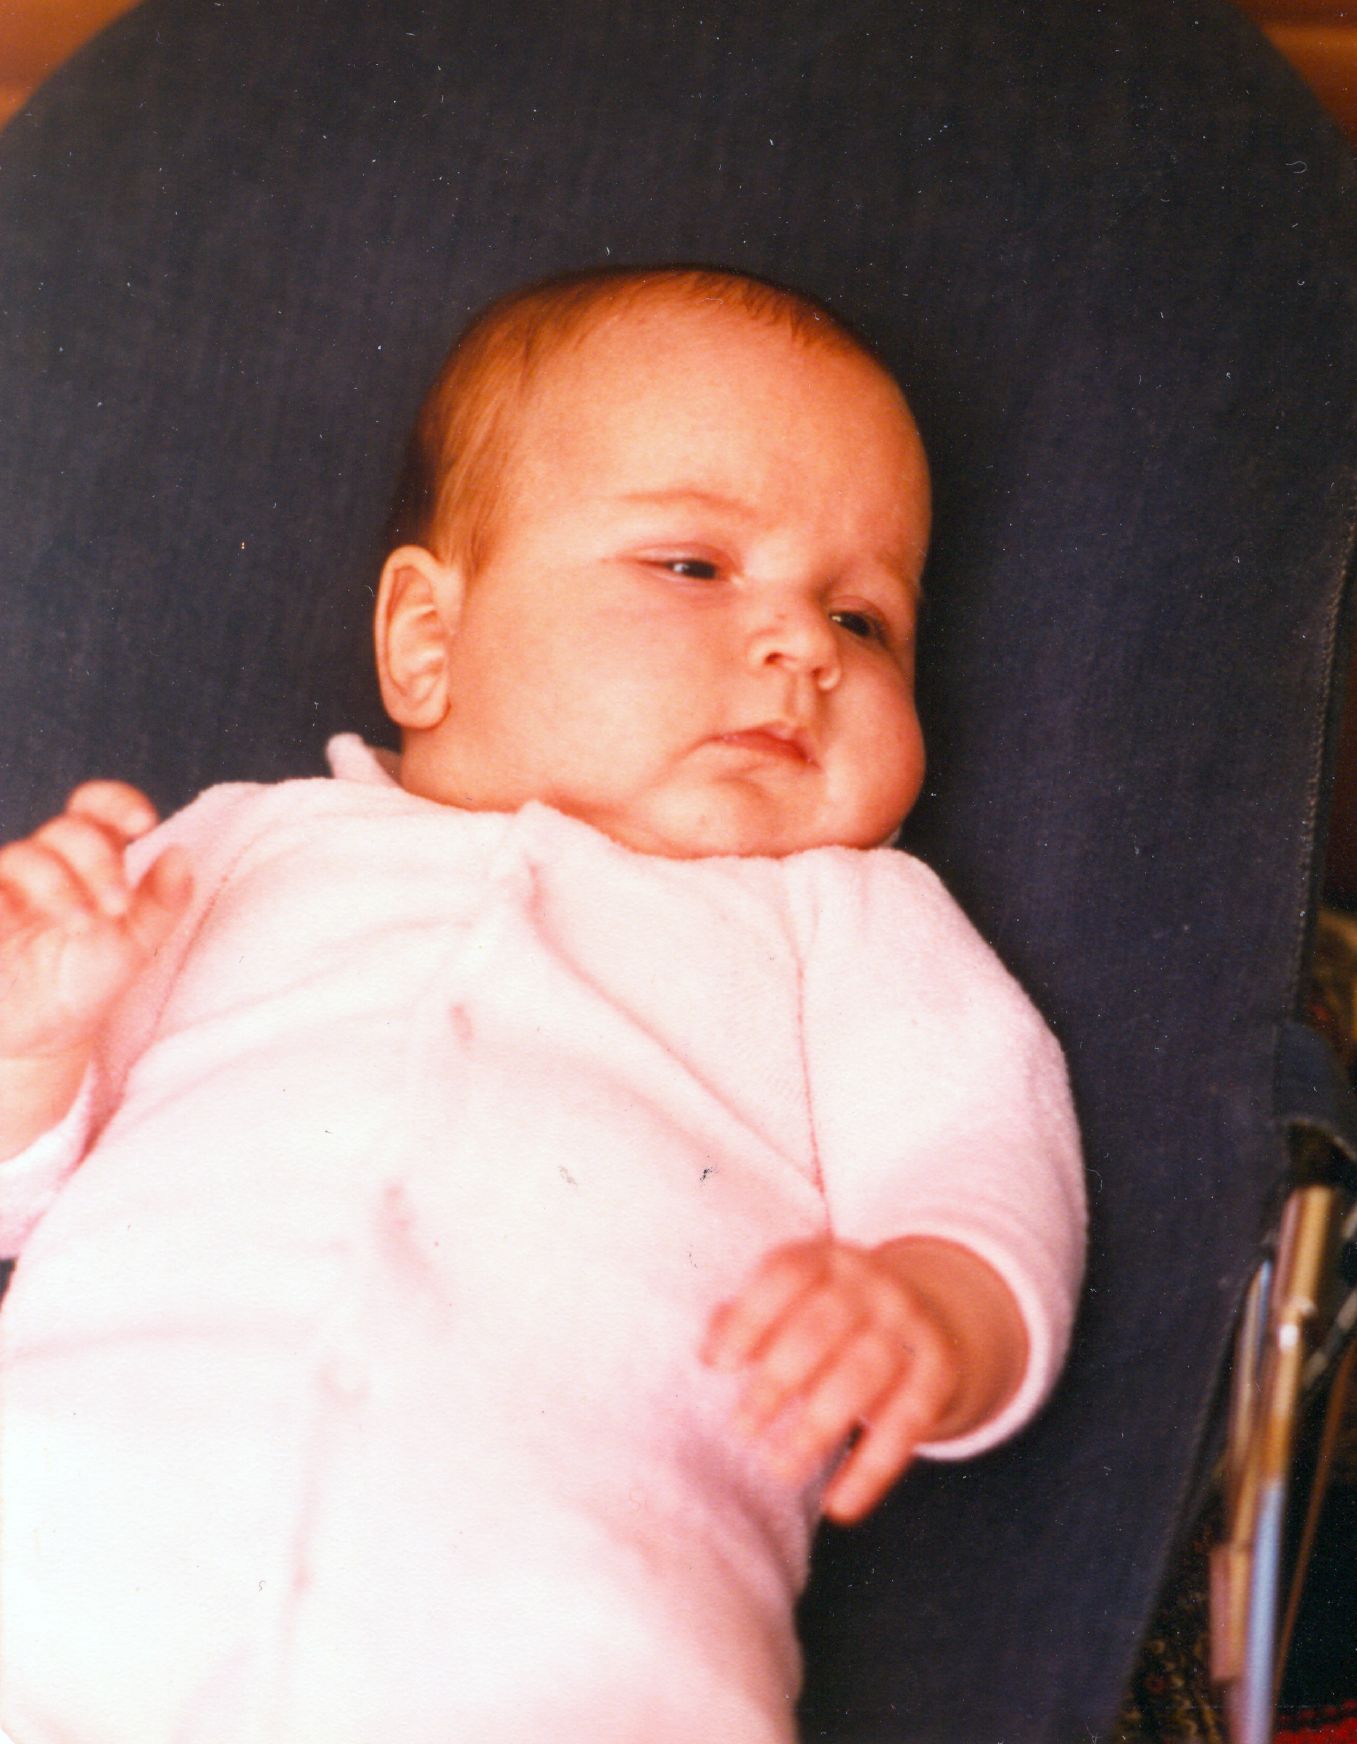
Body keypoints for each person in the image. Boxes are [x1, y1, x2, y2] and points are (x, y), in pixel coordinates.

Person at [0, 267, 1085, 1744]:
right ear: (426, 641)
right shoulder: (229, 851)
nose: (803, 647)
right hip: (69, 1542)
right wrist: (36, 1034)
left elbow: (984, 1155)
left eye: (865, 617)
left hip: (567, 1626)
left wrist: (932, 1312)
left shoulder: (846, 919)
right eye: (694, 568)